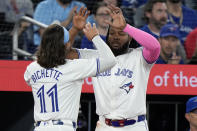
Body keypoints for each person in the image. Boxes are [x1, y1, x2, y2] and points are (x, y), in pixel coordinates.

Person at [67, 4, 160, 131]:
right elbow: (65, 53)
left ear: (130, 37)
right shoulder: (95, 56)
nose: (116, 37)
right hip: (105, 125)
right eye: (112, 34)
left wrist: (126, 27)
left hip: (135, 126)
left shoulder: (139, 57)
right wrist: (74, 29)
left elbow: (155, 47)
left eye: (121, 33)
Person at [24, 8, 117, 131]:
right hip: (63, 127)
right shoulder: (73, 67)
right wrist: (95, 37)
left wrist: (74, 31)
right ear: (67, 45)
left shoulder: (32, 69)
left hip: (40, 127)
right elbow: (110, 60)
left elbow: (59, 53)